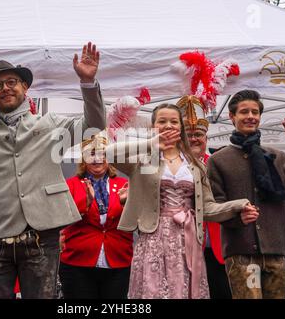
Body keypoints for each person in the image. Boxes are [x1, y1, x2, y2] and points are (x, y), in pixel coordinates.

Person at [0, 42, 106, 299]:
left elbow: (93, 126)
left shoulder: (49, 123)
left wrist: (88, 83)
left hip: (42, 234)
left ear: (25, 87)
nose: (5, 88)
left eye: (12, 81)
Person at [105, 103, 258, 299]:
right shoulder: (143, 160)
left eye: (174, 121)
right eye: (162, 121)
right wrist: (152, 143)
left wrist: (236, 206)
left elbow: (208, 208)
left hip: (187, 239)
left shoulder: (195, 165)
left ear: (181, 127)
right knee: (154, 291)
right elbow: (108, 153)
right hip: (154, 236)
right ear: (154, 127)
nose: (168, 125)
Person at [207, 90, 285, 299]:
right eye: (244, 112)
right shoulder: (219, 160)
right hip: (241, 254)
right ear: (232, 117)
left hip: (275, 252)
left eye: (255, 112)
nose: (250, 116)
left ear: (260, 117)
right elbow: (214, 206)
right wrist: (236, 217)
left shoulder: (277, 157)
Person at [59, 133, 132, 299]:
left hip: (118, 260)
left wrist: (125, 204)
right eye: (92, 154)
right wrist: (86, 203)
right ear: (84, 159)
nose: (98, 159)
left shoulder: (123, 184)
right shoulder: (70, 184)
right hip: (77, 263)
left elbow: (135, 221)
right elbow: (62, 218)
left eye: (103, 154)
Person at [177, 95, 232, 299]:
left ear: (206, 137)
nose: (194, 139)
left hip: (217, 249)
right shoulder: (170, 168)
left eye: (199, 134)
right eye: (189, 134)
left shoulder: (220, 165)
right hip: (182, 249)